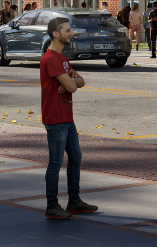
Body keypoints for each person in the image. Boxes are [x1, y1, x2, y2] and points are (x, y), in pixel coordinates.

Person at [40, 16, 99, 219]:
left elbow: (81, 82)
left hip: (67, 117)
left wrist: (70, 82)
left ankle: (74, 202)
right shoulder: (50, 59)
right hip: (55, 119)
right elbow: (75, 86)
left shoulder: (63, 60)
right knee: (55, 163)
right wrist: (71, 82)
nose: (71, 33)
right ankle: (52, 206)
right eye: (67, 30)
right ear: (56, 34)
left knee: (75, 158)